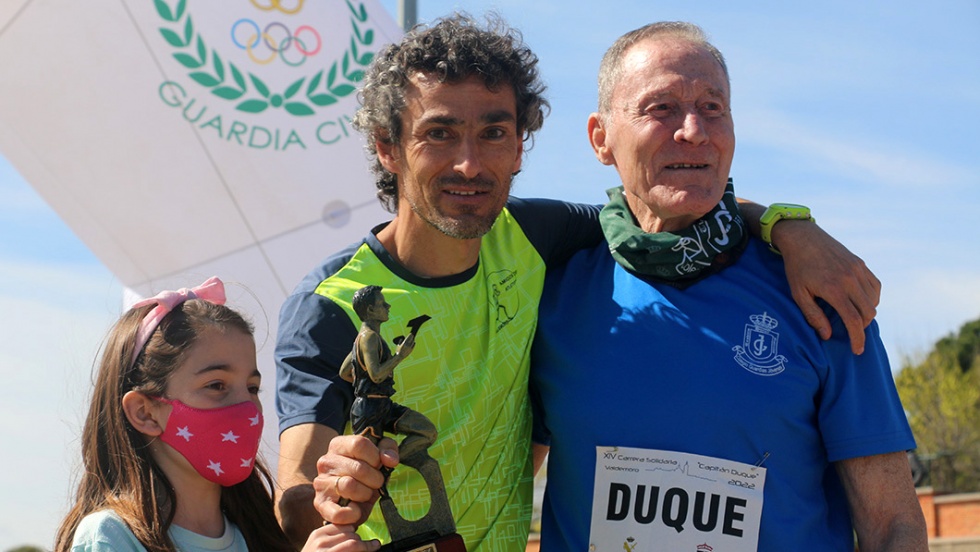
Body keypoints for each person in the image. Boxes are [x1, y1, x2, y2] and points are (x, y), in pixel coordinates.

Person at [274, 14, 882, 551]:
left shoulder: (537, 239)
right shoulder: (329, 304)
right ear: (387, 148)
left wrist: (789, 227)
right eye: (438, 133)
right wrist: (326, 505)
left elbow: (665, 199)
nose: (469, 162)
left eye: (493, 133)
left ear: (519, 148)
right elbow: (293, 494)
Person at [529, 22, 927, 551]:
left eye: (713, 107)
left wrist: (787, 227)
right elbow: (497, 491)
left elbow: (891, 524)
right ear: (601, 138)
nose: (693, 129)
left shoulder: (818, 291)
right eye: (661, 108)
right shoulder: (548, 293)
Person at [53, 277, 357, 552]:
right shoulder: (111, 535)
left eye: (252, 388)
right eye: (216, 385)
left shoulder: (258, 531)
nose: (248, 409)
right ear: (145, 413)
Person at [339, 285, 436, 461]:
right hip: (370, 410)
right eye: (383, 304)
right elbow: (376, 375)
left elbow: (345, 372)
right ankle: (384, 468)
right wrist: (400, 356)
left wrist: (363, 381)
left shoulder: (363, 338)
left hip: (383, 405)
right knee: (367, 462)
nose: (388, 307)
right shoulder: (369, 337)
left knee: (426, 431)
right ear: (370, 309)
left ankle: (389, 465)